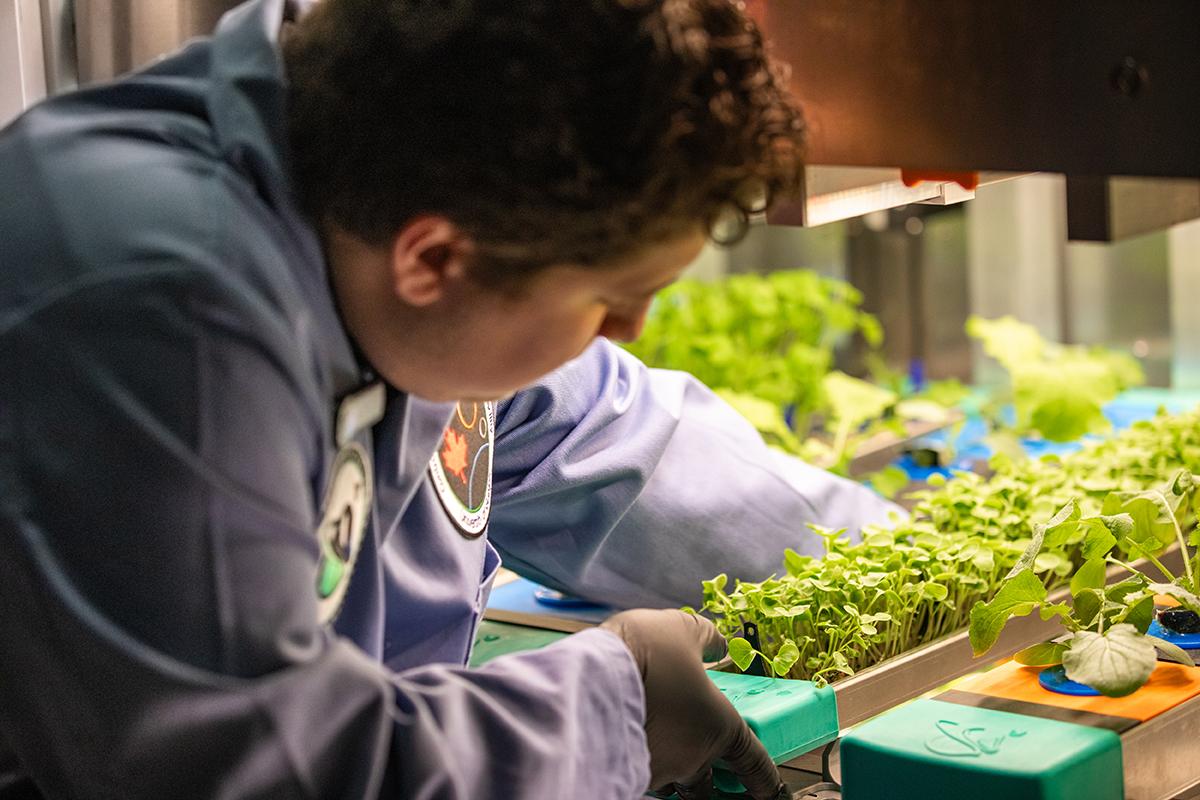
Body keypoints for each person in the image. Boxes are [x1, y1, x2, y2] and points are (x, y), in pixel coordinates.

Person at [0, 0, 899, 797]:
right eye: (611, 297)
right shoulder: (154, 311)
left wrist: (904, 565)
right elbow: (254, 766)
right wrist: (610, 707)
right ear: (432, 261)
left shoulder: (411, 181)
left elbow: (609, 445)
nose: (629, 330)